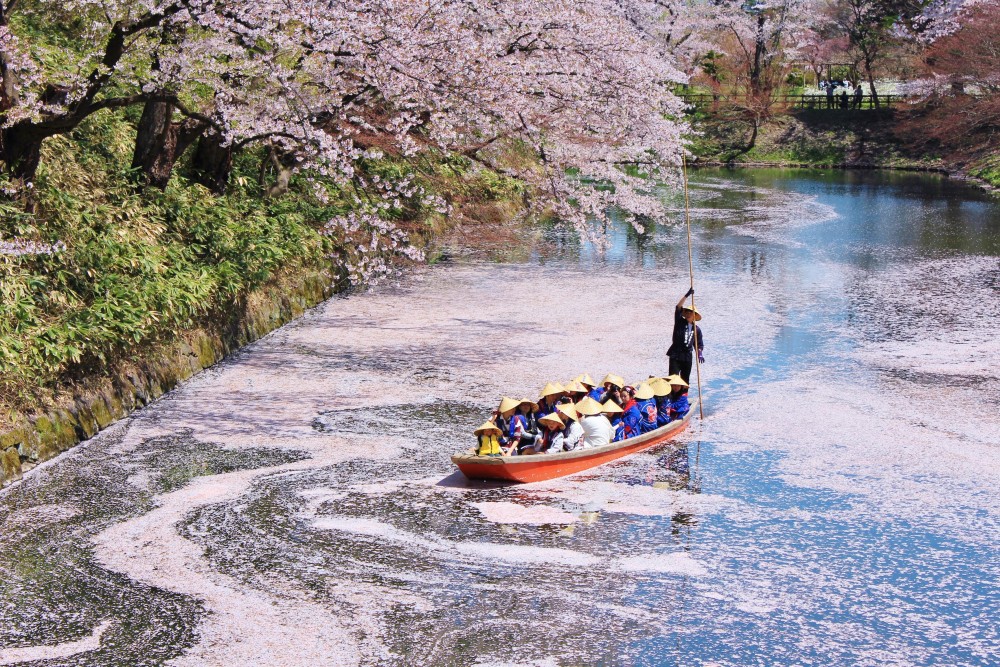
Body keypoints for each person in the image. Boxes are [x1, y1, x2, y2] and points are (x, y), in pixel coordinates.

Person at [666, 288, 704, 385]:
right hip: (676, 353)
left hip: (687, 356)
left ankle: (683, 398)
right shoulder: (679, 321)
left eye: (690, 312)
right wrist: (687, 295)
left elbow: (698, 344)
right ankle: (671, 398)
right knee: (673, 379)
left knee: (685, 380)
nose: (687, 314)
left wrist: (699, 353)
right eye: (687, 312)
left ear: (694, 315)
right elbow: (678, 307)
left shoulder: (697, 329)